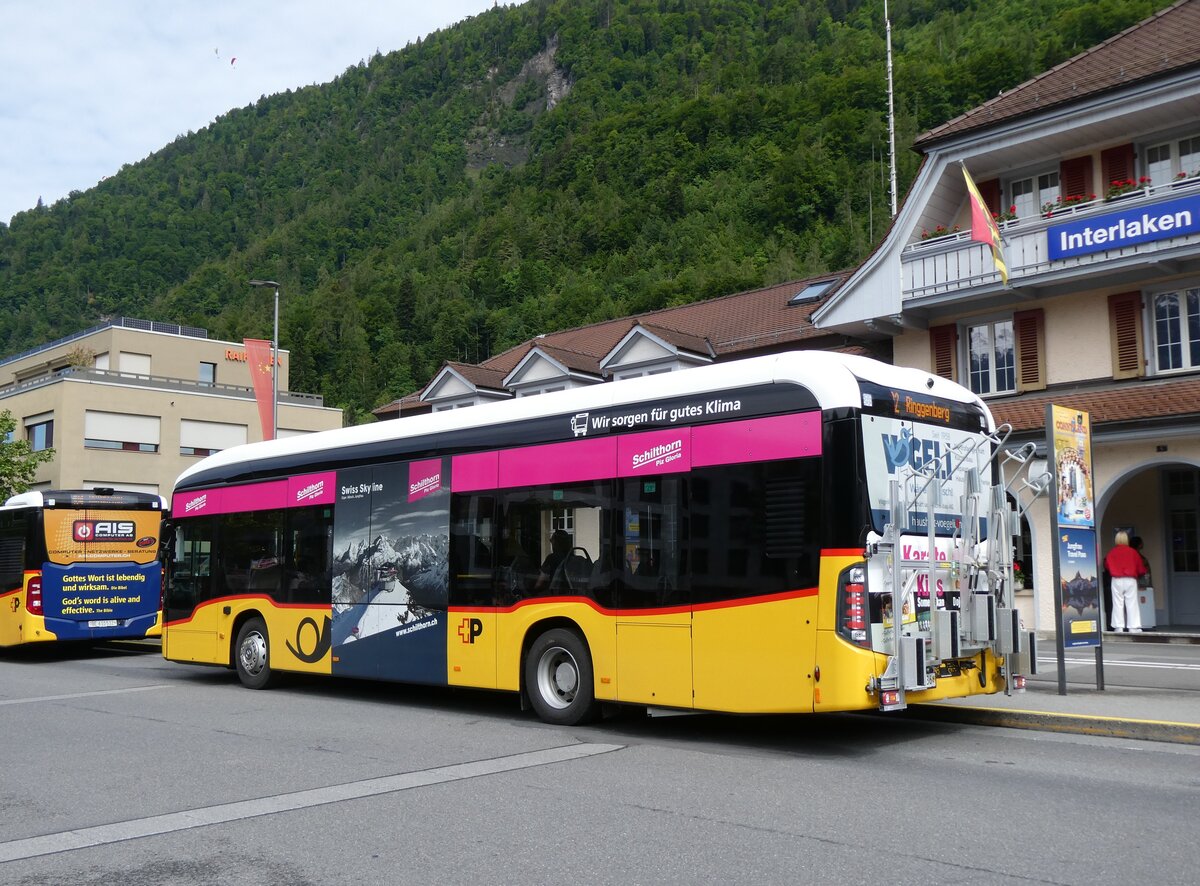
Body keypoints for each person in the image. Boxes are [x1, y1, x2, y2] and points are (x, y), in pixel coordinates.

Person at [1104, 530, 1147, 633]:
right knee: (1132, 603)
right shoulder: (1133, 552)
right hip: (1130, 580)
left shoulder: (1112, 552)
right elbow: (1141, 568)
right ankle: (1133, 627)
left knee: (1117, 603)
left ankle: (1118, 627)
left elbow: (1107, 566)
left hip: (1116, 579)